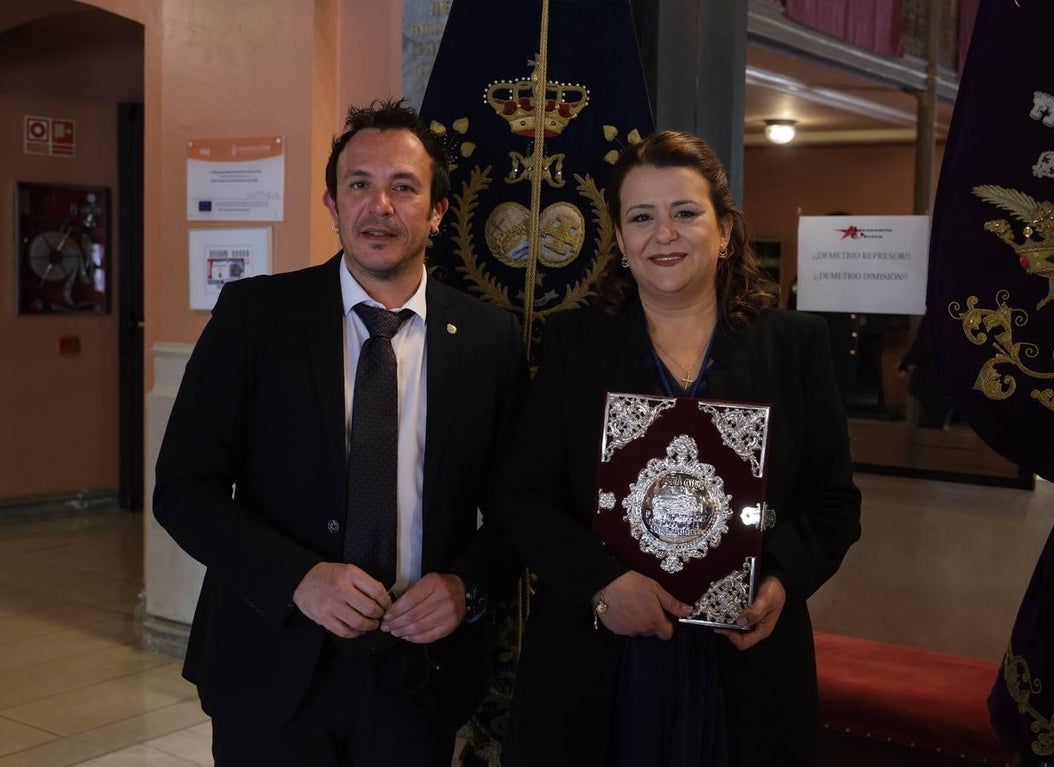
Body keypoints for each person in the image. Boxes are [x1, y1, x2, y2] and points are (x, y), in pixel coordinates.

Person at [153, 98, 527, 766]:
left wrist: (466, 585)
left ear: (438, 211)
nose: (379, 206)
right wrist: (299, 576)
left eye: (404, 187)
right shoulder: (256, 317)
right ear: (332, 202)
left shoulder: (488, 339)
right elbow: (183, 489)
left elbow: (518, 502)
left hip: (419, 675)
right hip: (272, 659)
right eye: (359, 184)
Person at [497, 130, 862, 767]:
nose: (663, 233)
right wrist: (603, 587)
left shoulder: (794, 346)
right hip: (599, 656)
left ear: (724, 230)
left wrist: (779, 581)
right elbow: (523, 495)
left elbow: (833, 506)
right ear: (619, 241)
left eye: (685, 213)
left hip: (744, 662)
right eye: (641, 217)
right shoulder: (573, 345)